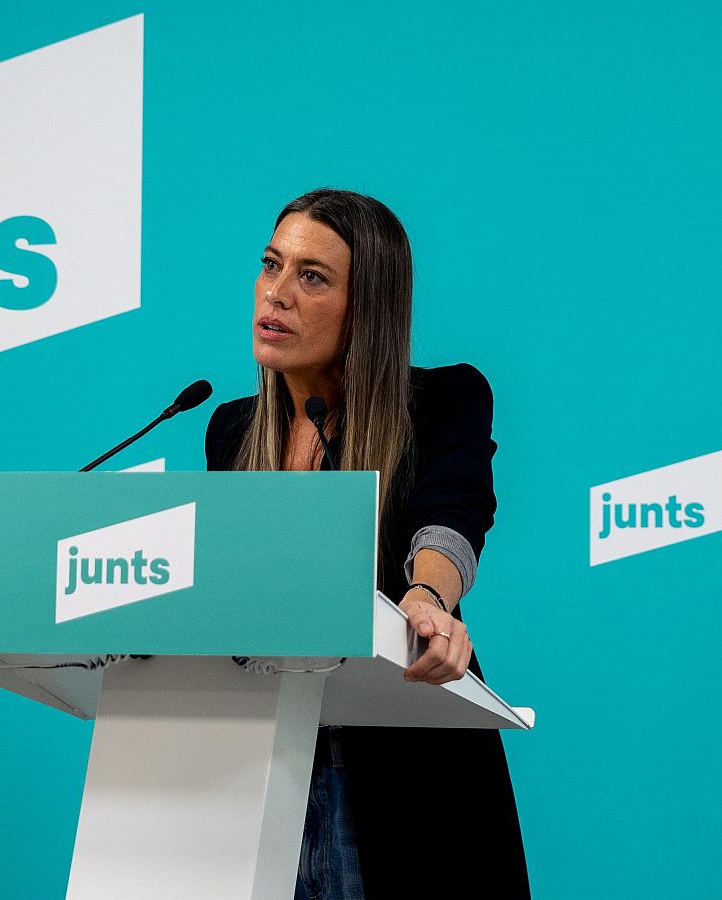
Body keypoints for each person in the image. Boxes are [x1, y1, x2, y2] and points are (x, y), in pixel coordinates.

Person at [204, 188, 530, 898]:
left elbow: (454, 508)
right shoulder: (229, 430)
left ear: (368, 305)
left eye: (312, 277)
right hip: (261, 767)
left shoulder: (443, 401)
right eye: (271, 266)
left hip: (403, 774)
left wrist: (427, 595)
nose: (278, 293)